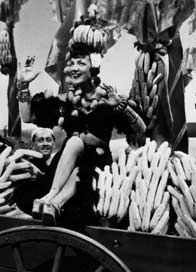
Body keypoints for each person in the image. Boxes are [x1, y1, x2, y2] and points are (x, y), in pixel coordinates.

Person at [17, 19, 146, 225]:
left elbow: (140, 129)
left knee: (80, 157)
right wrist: (23, 84)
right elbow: (27, 117)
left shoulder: (107, 98)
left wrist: (120, 106)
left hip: (97, 170)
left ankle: (54, 202)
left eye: (81, 63)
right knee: (75, 143)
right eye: (72, 63)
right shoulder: (66, 100)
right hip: (65, 167)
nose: (73, 68)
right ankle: (51, 199)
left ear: (94, 66)